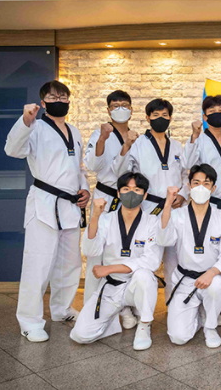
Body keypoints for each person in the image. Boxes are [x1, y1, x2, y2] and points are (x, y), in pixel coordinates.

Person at [4, 80, 90, 342]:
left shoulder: (74, 131)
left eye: (63, 97)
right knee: (38, 264)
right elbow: (12, 150)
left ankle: (62, 309)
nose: (59, 101)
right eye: (53, 97)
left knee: (69, 264)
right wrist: (25, 120)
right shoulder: (35, 127)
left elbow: (79, 168)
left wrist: (85, 189)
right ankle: (29, 321)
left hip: (70, 205)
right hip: (44, 203)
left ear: (69, 101)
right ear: (43, 103)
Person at [70, 172, 163, 350]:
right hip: (111, 287)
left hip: (135, 285)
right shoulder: (106, 219)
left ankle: (144, 326)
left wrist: (110, 268)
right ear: (118, 193)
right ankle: (122, 310)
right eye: (126, 189)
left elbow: (151, 261)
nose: (131, 193)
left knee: (145, 276)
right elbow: (90, 250)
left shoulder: (152, 222)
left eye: (137, 190)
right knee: (80, 335)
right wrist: (95, 216)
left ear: (144, 195)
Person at [114, 98, 189, 296]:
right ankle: (136, 304)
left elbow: (185, 174)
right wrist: (126, 145)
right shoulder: (137, 143)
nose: (160, 118)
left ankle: (174, 304)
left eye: (165, 115)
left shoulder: (177, 146)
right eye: (155, 115)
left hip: (175, 208)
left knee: (175, 260)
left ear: (171, 118)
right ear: (147, 118)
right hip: (149, 208)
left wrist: (183, 195)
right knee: (144, 258)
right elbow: (122, 173)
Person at [156, 164, 221, 348]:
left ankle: (210, 326)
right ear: (189, 186)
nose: (200, 187)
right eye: (196, 183)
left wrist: (211, 273)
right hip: (185, 279)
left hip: (211, 278)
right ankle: (198, 316)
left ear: (213, 188)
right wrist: (167, 204)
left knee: (216, 287)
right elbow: (164, 239)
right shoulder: (177, 216)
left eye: (206, 184)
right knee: (178, 337)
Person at [185, 94, 221, 314]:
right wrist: (194, 136)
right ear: (204, 116)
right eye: (212, 111)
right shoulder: (199, 141)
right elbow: (188, 165)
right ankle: (204, 301)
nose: (218, 114)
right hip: (208, 206)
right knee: (209, 253)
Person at [83, 90, 137, 329]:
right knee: (99, 251)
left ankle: (126, 305)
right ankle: (92, 308)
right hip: (105, 197)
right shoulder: (100, 133)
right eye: (115, 105)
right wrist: (103, 140)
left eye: (124, 105)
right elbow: (92, 165)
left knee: (125, 250)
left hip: (129, 200)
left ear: (131, 109)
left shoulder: (137, 137)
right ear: (108, 110)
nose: (120, 108)